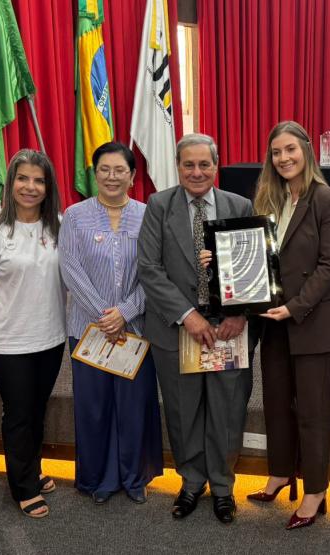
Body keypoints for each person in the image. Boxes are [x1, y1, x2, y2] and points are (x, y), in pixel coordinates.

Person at [137, 133, 254, 524]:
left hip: (227, 331)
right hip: (177, 329)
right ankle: (191, 482)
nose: (197, 171)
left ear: (216, 166)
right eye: (188, 164)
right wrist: (188, 315)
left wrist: (239, 313)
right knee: (182, 411)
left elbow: (250, 267)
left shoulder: (239, 205)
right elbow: (149, 269)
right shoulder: (159, 205)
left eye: (205, 164)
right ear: (178, 166)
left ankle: (222, 486)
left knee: (226, 410)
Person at [243, 121, 330, 529]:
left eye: (290, 149)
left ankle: (316, 491)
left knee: (311, 410)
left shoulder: (328, 200)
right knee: (275, 403)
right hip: (273, 322)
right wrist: (219, 263)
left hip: (311, 321)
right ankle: (281, 472)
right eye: (276, 152)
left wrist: (295, 306)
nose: (283, 158)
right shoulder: (268, 199)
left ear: (306, 150)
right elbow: (256, 257)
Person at [59, 142, 163, 506]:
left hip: (135, 329)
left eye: (120, 170)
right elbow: (70, 268)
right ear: (94, 173)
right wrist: (105, 316)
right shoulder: (74, 216)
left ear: (133, 176)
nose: (112, 176)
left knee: (134, 406)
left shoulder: (148, 215)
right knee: (94, 406)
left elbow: (156, 272)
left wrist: (126, 311)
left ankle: (134, 477)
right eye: (104, 169)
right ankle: (98, 478)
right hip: (88, 329)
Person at [0, 149, 66, 519]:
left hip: (50, 337)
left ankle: (32, 469)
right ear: (10, 183)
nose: (30, 186)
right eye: (23, 178)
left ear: (48, 187)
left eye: (39, 180)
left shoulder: (58, 226)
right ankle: (23, 486)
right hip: (7, 342)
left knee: (36, 409)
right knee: (20, 413)